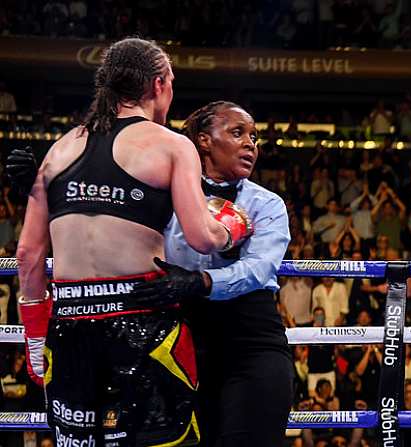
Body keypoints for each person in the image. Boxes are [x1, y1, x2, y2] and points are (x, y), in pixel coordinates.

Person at [16, 38, 246, 446]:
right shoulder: (172, 145)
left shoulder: (59, 150)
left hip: (70, 325)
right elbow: (201, 238)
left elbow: (29, 254)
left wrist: (36, 340)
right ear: (159, 84)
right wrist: (233, 227)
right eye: (172, 82)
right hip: (142, 321)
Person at [129, 101, 293, 446]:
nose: (251, 144)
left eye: (254, 137)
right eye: (238, 133)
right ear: (204, 140)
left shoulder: (267, 204)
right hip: (182, 339)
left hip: (252, 339)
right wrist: (40, 189)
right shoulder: (163, 197)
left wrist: (200, 281)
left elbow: (259, 268)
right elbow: (106, 223)